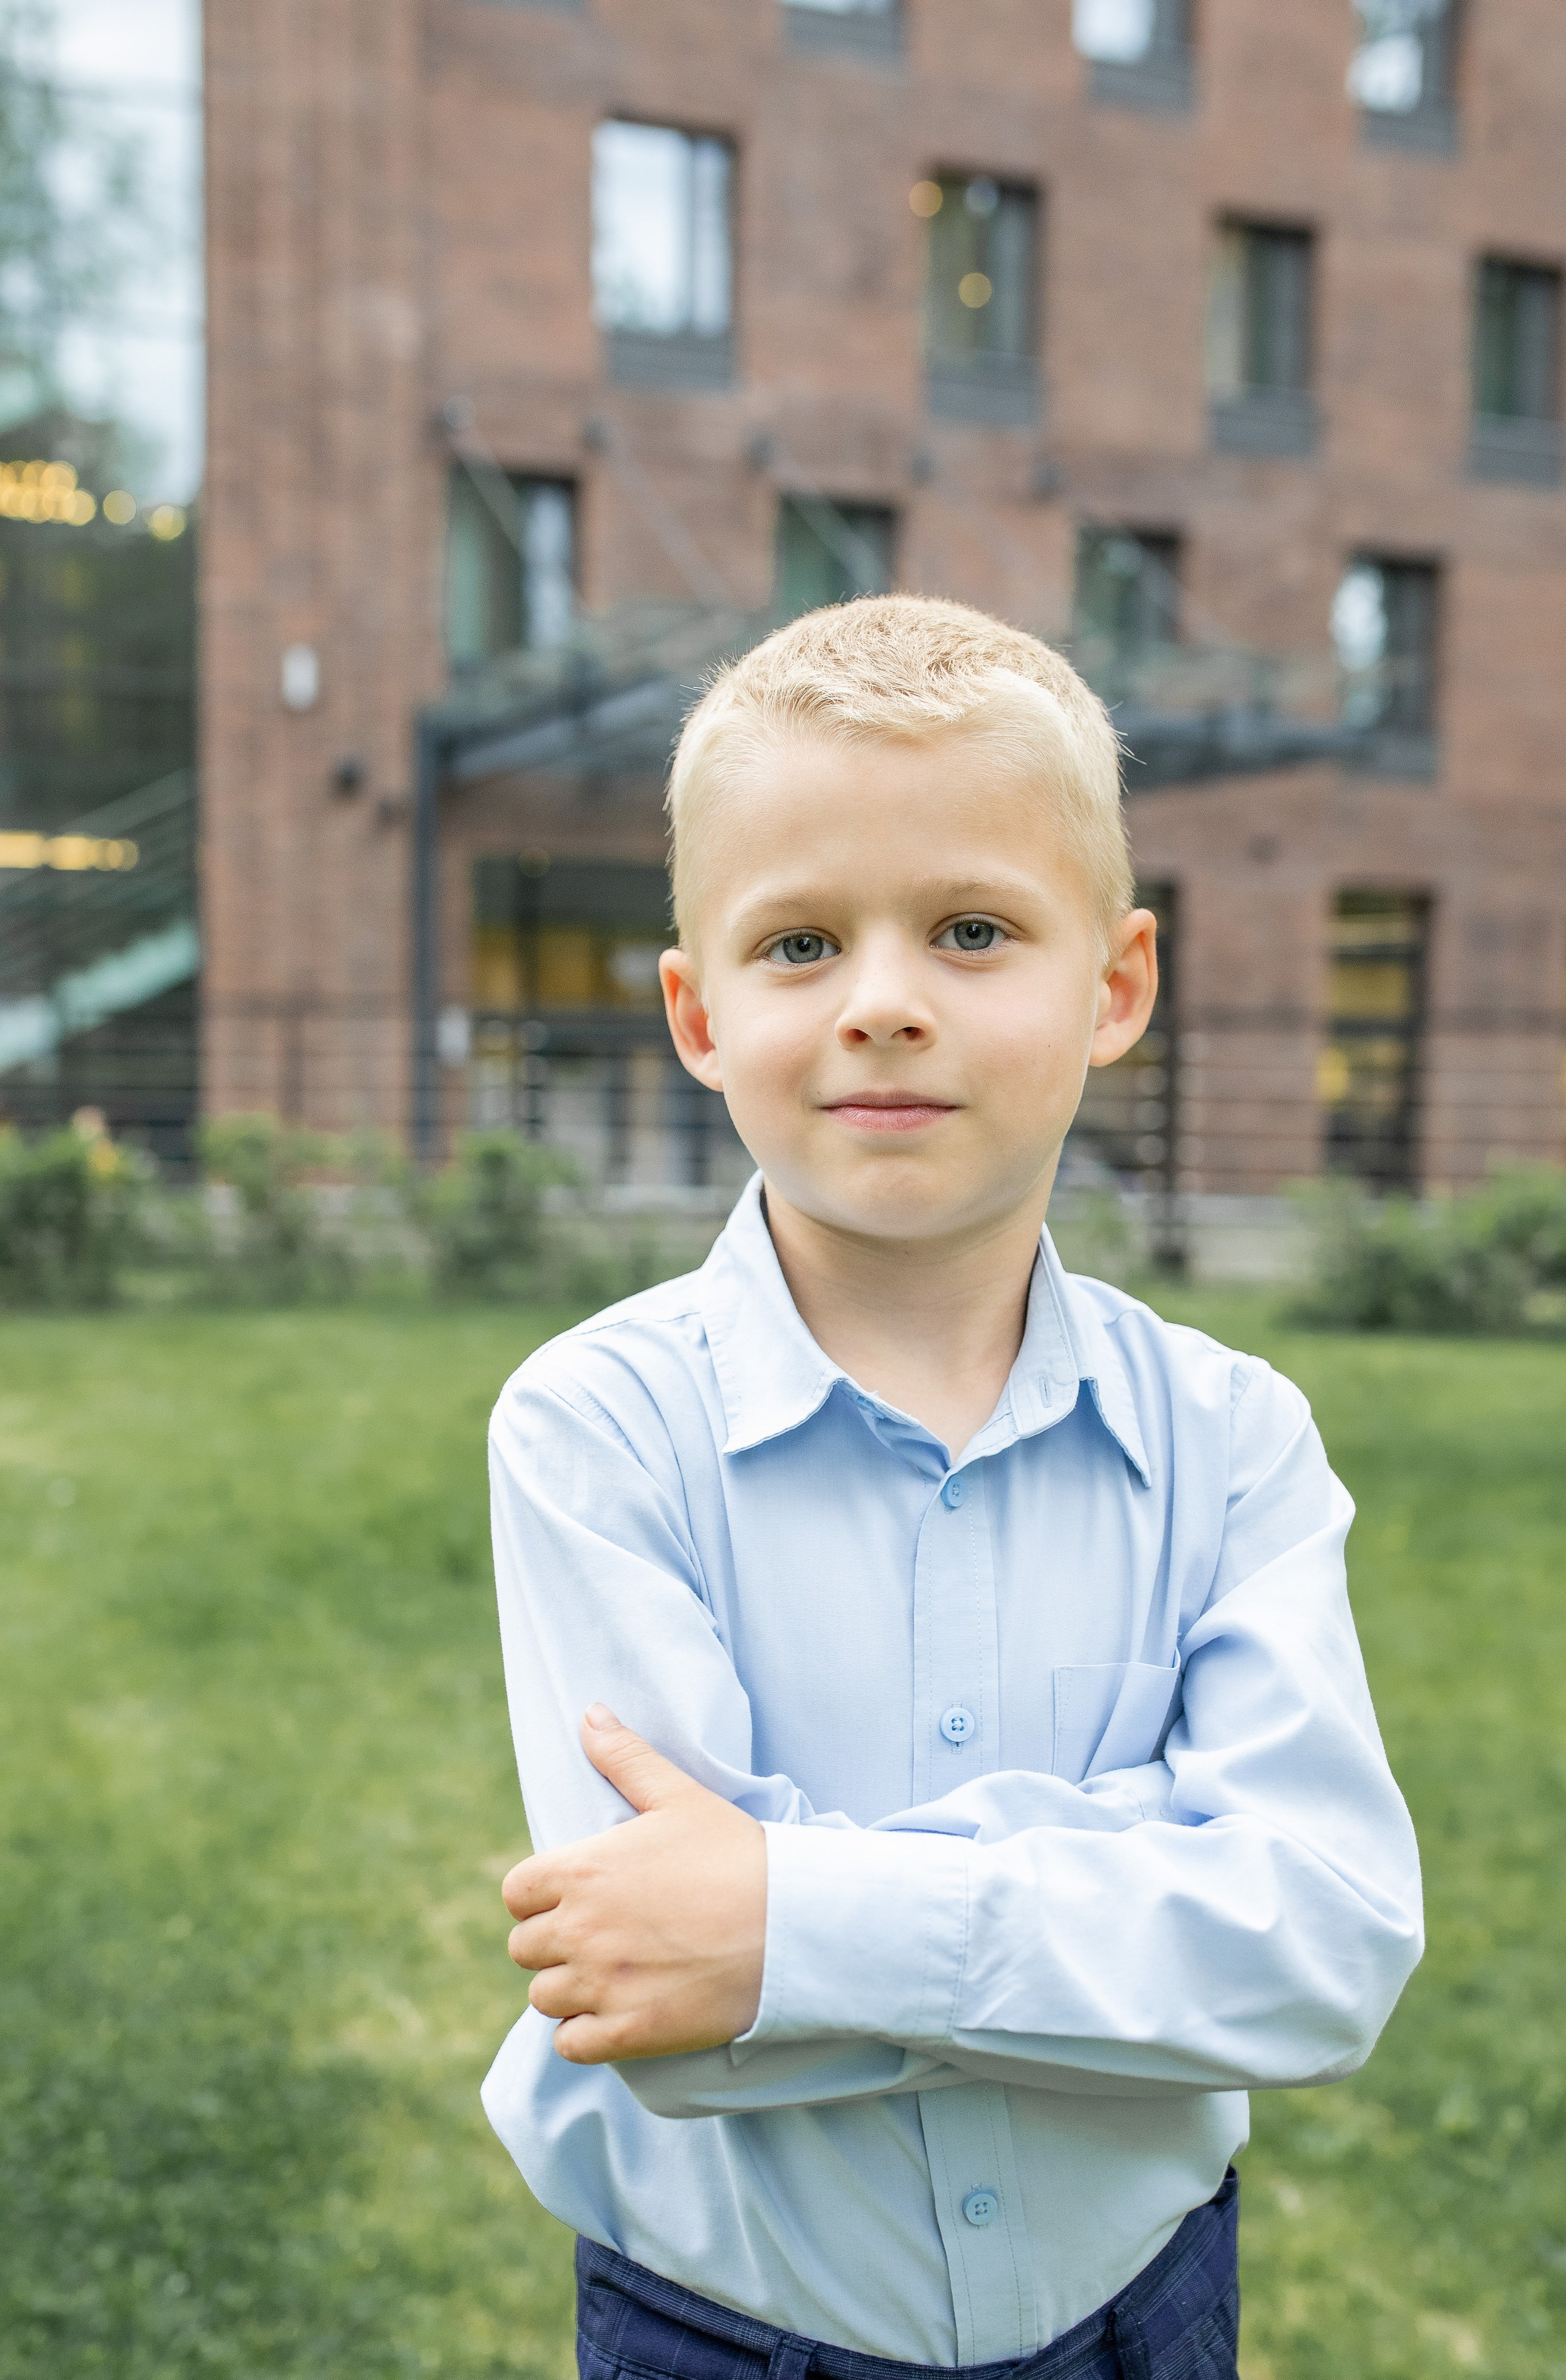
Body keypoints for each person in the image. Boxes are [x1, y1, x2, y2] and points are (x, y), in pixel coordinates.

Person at [482, 595, 1423, 2380]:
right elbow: (668, 2020)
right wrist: (1144, 1892)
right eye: (800, 944)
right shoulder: (595, 1427)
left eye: (975, 930)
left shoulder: (1233, 1440)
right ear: (695, 1009)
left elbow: (1324, 1944)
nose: (886, 1007)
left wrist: (790, 1919)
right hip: (730, 2333)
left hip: (1141, 2312)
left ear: (1116, 986)